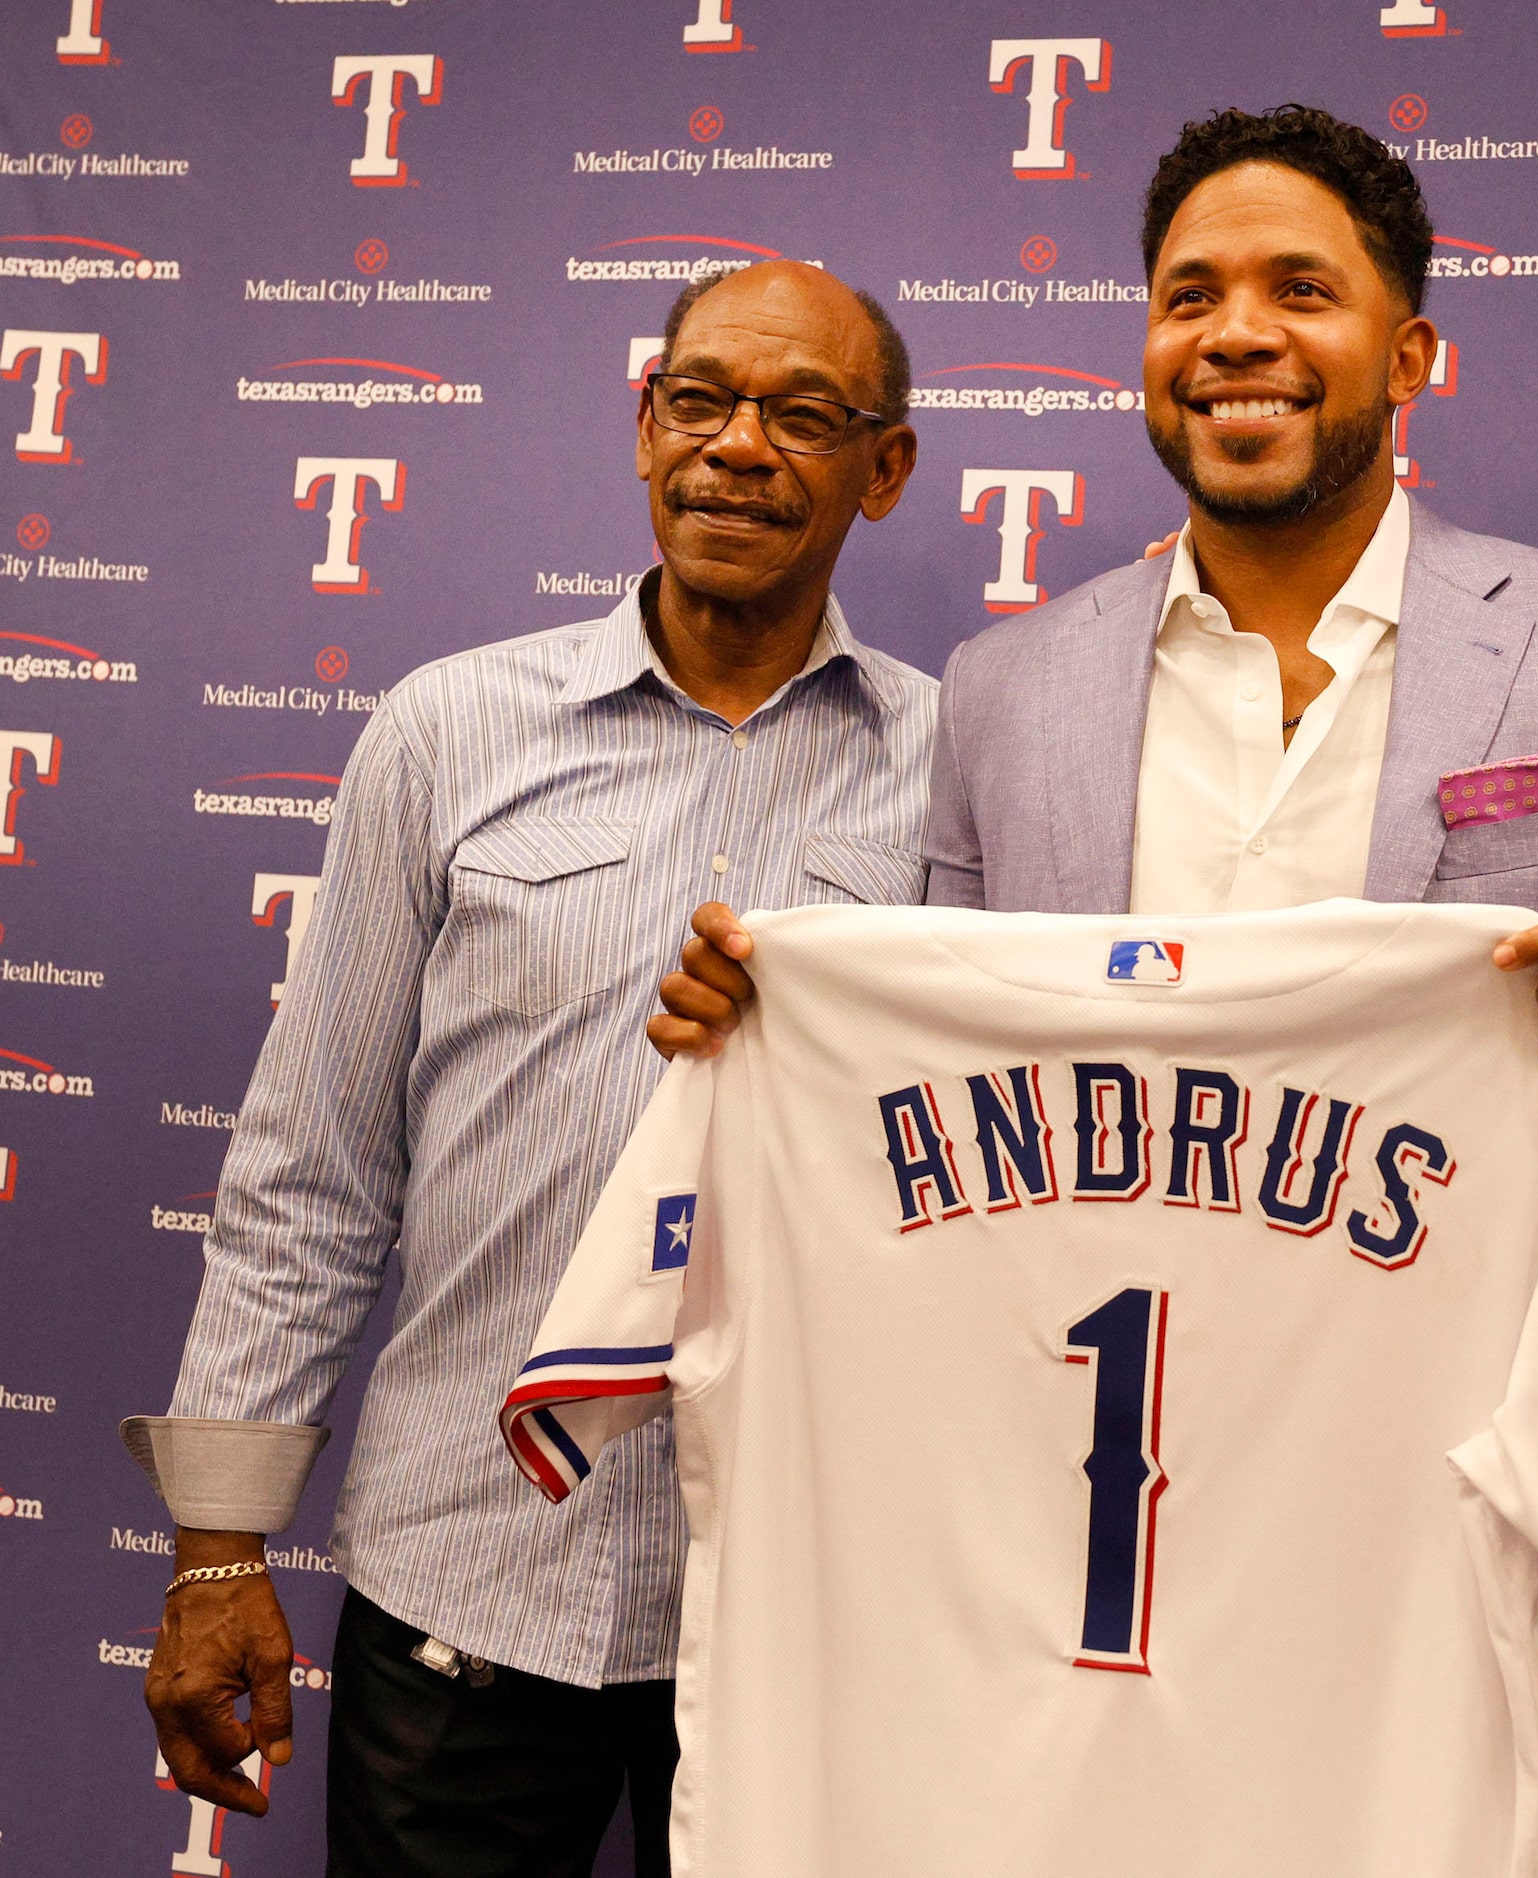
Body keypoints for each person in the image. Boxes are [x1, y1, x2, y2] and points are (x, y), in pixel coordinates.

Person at [647, 105, 1538, 1874]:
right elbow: (924, 1066)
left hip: (1421, 1520)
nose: (1235, 333)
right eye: (1189, 297)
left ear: (1405, 351)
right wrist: (771, 1026)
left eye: (1297, 291)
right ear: (1148, 347)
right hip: (1062, 1522)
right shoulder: (1011, 685)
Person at [124, 260, 940, 1877]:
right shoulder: (446, 730)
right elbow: (311, 1166)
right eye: (700, 401)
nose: (739, 449)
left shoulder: (954, 768)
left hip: (806, 1606)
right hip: (468, 1591)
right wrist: (219, 1554)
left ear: (886, 469)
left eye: (804, 417)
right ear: (644, 428)